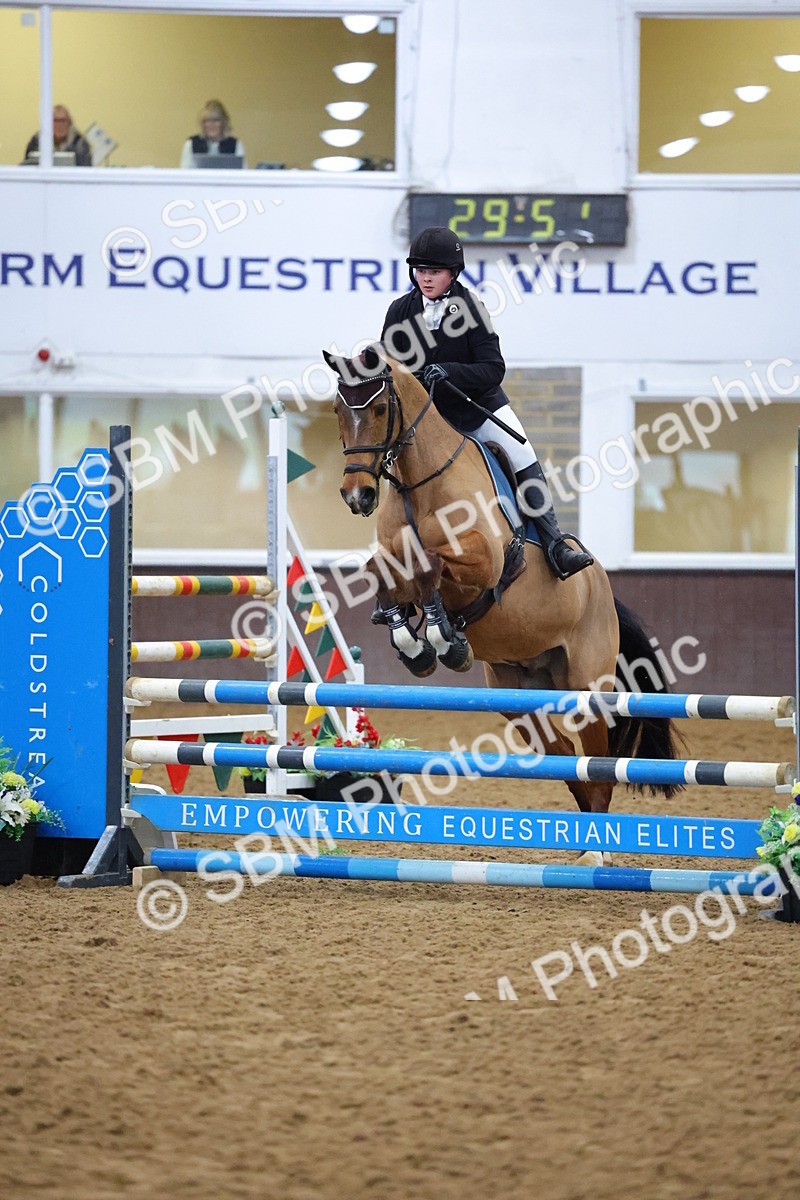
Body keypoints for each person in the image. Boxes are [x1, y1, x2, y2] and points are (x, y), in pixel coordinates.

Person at [380, 226, 593, 580]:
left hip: (476, 407)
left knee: (523, 455)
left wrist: (448, 372)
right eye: (421, 271)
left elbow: (493, 368)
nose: (426, 278)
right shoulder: (400, 310)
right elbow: (390, 367)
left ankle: (555, 544)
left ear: (453, 273)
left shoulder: (470, 308)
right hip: (427, 420)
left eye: (434, 271)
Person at [180, 100, 246, 168]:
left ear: (223, 122)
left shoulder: (236, 145)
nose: (211, 125)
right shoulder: (191, 144)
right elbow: (185, 173)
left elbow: (243, 173)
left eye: (216, 120)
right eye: (207, 121)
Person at [24, 105, 92, 166]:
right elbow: (28, 170)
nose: (60, 125)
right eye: (56, 120)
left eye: (63, 120)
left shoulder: (80, 144)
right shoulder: (36, 142)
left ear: (69, 122)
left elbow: (86, 173)